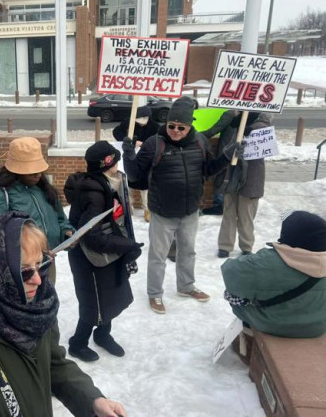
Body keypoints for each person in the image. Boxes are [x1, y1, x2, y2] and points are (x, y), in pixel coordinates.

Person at [0, 211, 128, 417]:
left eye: (40, 265)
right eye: (24, 271)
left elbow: (54, 364)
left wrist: (92, 401)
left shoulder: (36, 311)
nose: (37, 280)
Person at [123, 96, 244, 314]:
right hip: (162, 212)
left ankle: (186, 286)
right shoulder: (155, 143)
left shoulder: (199, 142)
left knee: (188, 252)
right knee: (158, 256)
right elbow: (134, 175)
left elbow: (208, 170)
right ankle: (155, 294)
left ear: (189, 126)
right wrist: (128, 154)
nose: (176, 130)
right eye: (171, 126)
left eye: (181, 127)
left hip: (189, 211)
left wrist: (227, 156)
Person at [66, 141, 142, 362]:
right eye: (113, 162)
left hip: (110, 249)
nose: (116, 166)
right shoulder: (93, 192)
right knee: (93, 302)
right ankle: (77, 343)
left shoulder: (110, 182)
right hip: (90, 257)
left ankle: (102, 334)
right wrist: (126, 246)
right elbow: (90, 234)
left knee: (110, 296)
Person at [0, 136, 74, 284]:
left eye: (39, 169)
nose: (38, 174)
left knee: (46, 305)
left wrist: (66, 233)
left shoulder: (44, 190)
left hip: (47, 263)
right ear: (15, 169)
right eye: (31, 170)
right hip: (19, 273)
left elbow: (60, 219)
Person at [222, 210, 326, 338]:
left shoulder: (266, 262)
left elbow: (229, 272)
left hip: (272, 324)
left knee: (235, 297)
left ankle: (248, 332)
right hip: (317, 327)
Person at [207, 112, 272, 258]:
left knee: (246, 214)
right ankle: (225, 246)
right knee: (229, 212)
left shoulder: (260, 122)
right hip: (233, 174)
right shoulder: (237, 122)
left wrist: (251, 129)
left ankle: (246, 246)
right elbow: (229, 146)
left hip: (251, 177)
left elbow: (266, 135)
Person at [113, 105, 160, 222]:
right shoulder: (129, 122)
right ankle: (129, 209)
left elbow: (159, 140)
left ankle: (147, 210)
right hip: (131, 157)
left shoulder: (155, 126)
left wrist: (145, 144)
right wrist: (131, 141)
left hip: (146, 159)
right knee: (128, 185)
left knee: (146, 187)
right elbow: (116, 132)